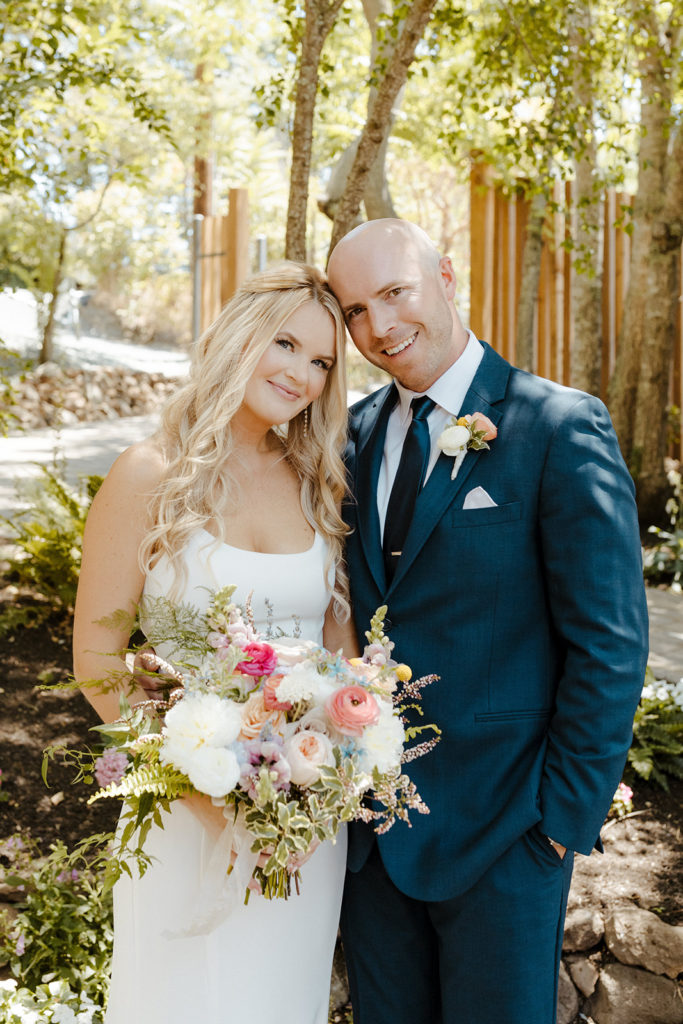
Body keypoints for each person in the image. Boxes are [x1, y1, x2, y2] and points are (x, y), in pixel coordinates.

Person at [326, 218, 649, 1024]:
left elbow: (608, 645)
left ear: (444, 274)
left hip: (507, 835)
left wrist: (555, 828)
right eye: (356, 311)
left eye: (395, 293)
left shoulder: (557, 425)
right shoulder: (352, 436)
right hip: (372, 837)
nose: (381, 327)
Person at [73, 262, 358, 1024]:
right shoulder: (150, 474)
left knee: (281, 1000)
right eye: (286, 344)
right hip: (184, 815)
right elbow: (97, 660)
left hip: (301, 823)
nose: (301, 374)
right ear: (241, 334)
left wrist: (338, 763)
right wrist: (208, 800)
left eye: (322, 362)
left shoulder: (316, 480)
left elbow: (341, 651)